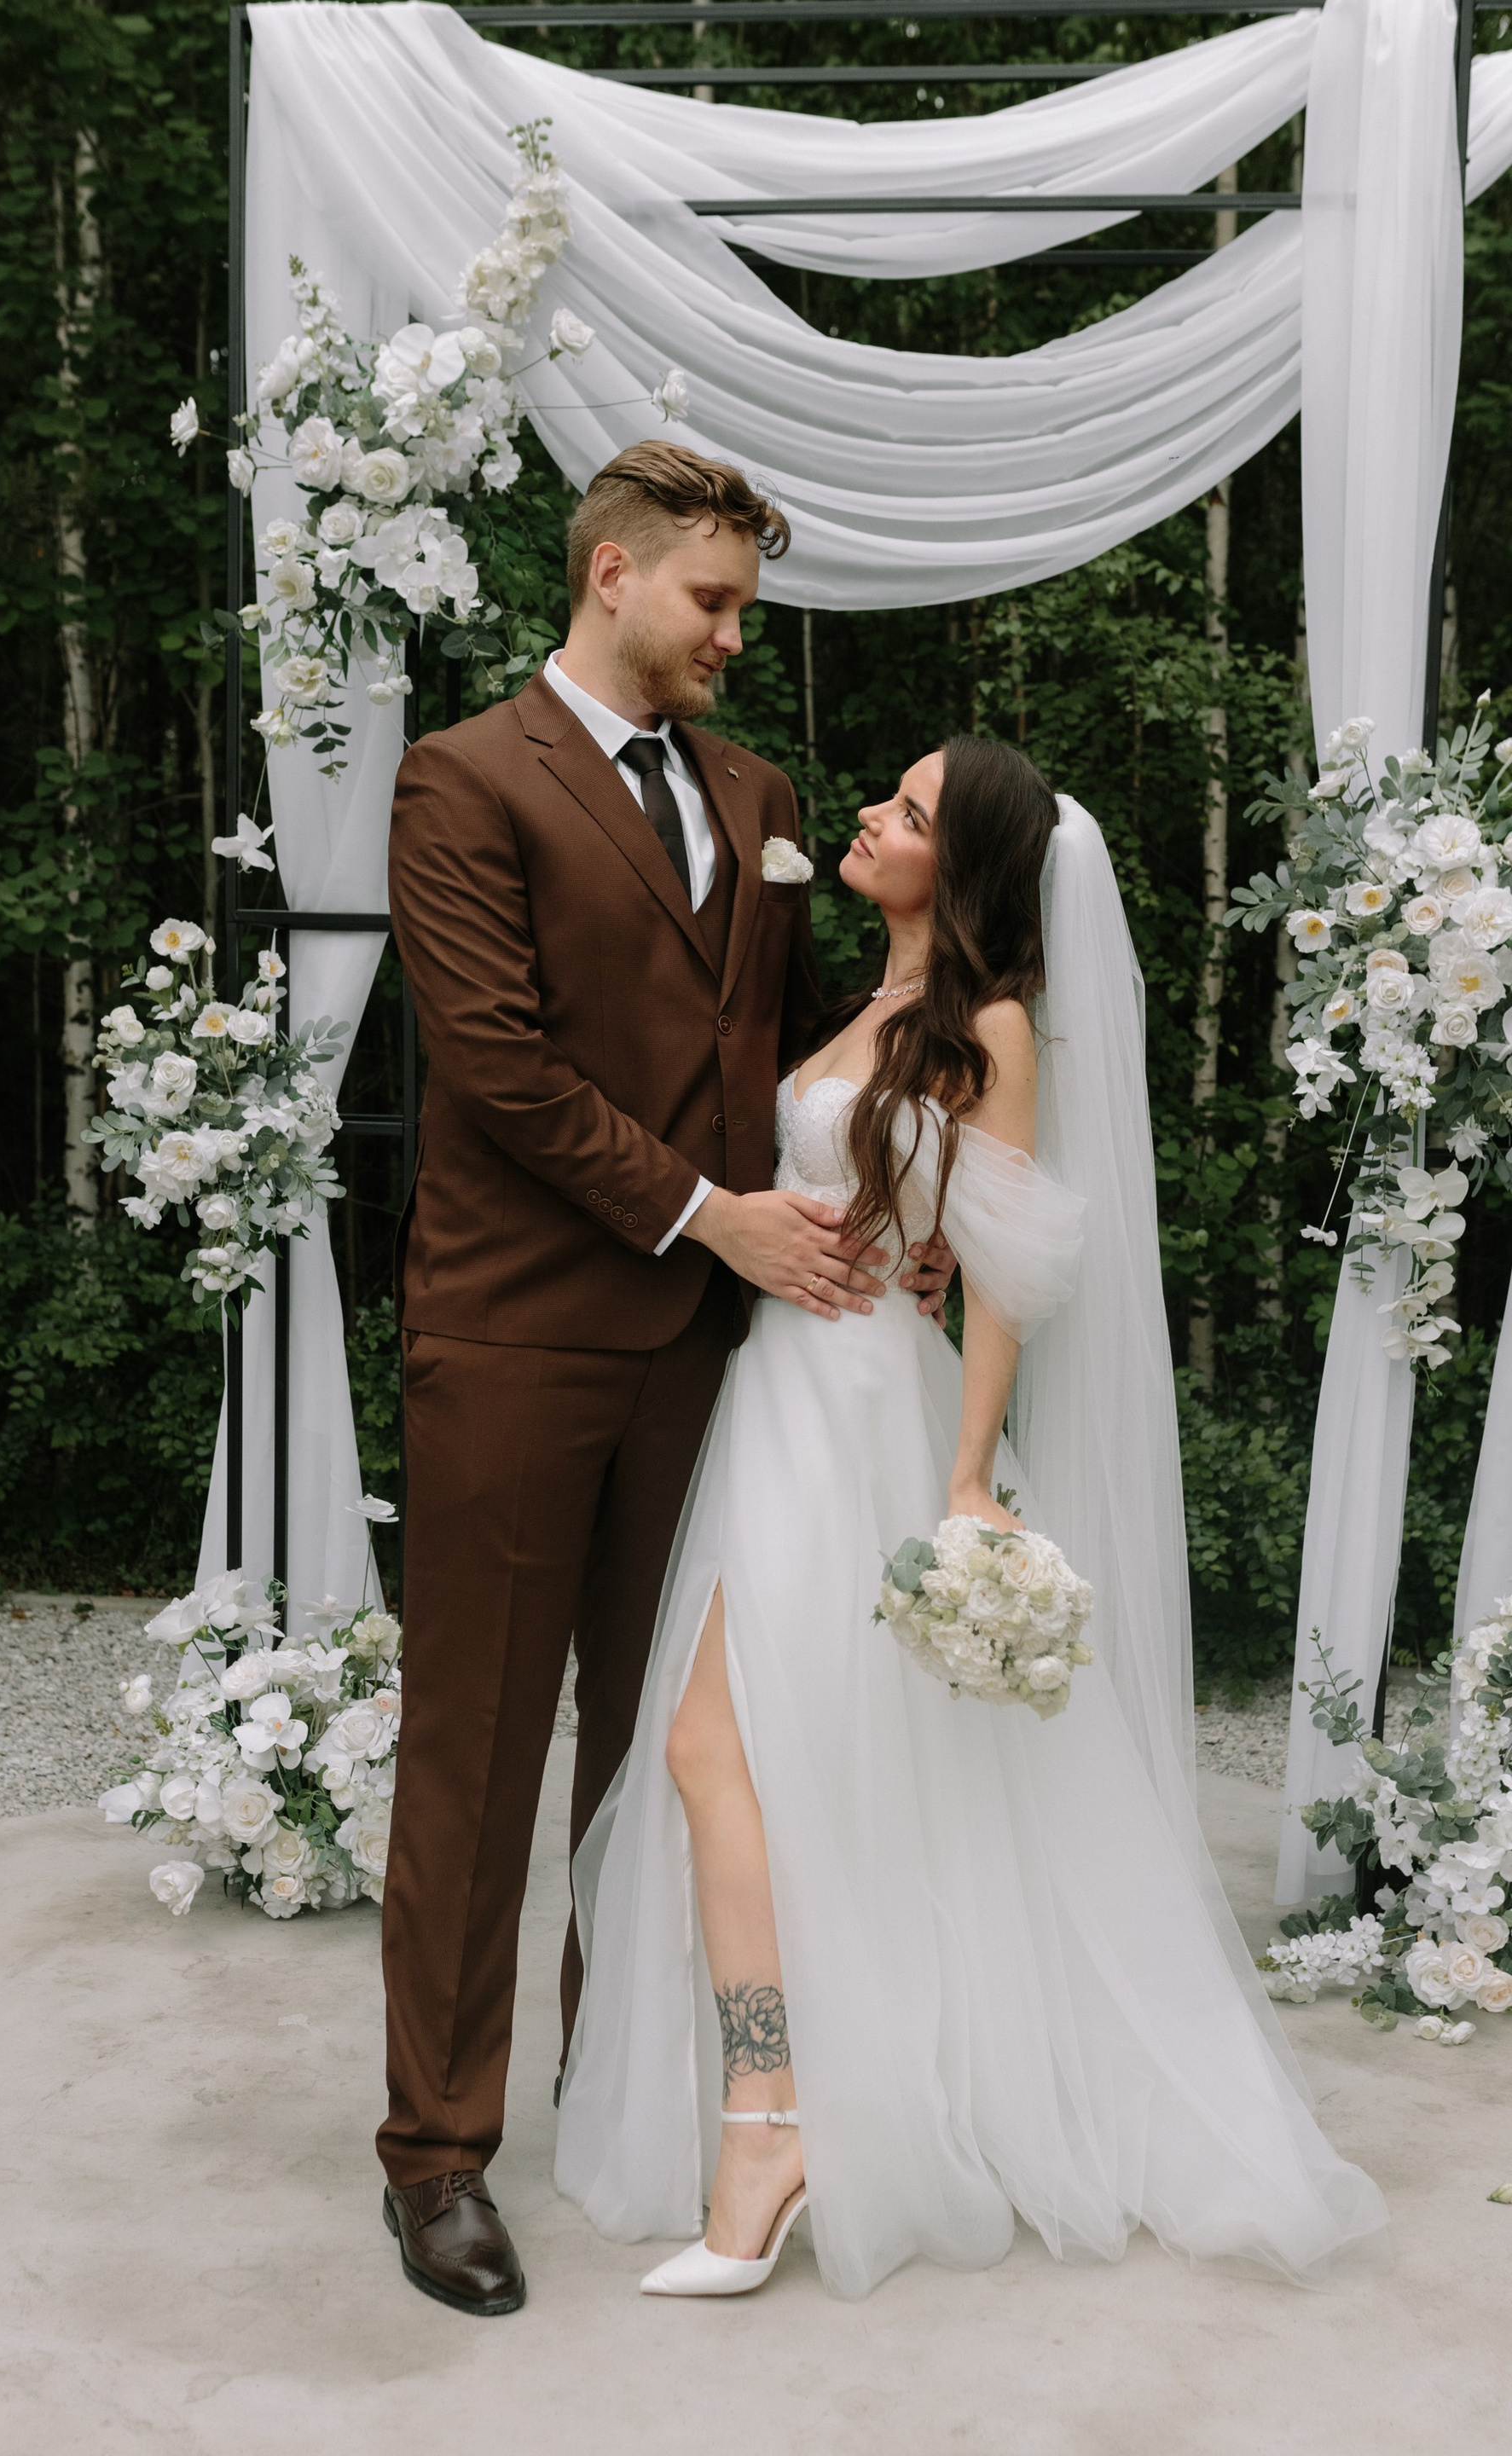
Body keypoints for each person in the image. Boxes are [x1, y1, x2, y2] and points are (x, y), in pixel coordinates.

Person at [555, 735, 1390, 2299]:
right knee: (766, 1753)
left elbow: (1005, 1264)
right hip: (779, 1393)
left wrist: (966, 1477)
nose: (874, 816)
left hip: (870, 1404)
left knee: (725, 1747)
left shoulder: (992, 1028)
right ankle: (787, 2106)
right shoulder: (855, 1002)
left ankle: (772, 2124)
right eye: (891, 796)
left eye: (913, 812)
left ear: (967, 868)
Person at [379, 441, 954, 2315]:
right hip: (519, 1334)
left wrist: (924, 1192)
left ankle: (614, 2090)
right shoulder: (465, 779)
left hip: (714, 1359)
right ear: (611, 574)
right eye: (713, 601)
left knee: (663, 1758)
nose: (732, 636)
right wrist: (717, 1219)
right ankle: (438, 2155)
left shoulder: (759, 794)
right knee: (479, 1752)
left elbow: (786, 1048)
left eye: (745, 609)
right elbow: (497, 1067)